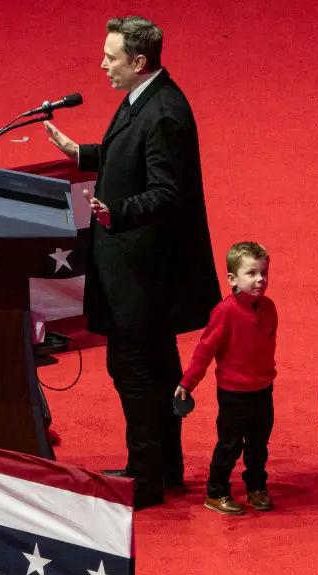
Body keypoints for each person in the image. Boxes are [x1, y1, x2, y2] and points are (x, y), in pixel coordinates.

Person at [44, 16, 221, 509]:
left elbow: (167, 191)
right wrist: (79, 152)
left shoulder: (164, 111)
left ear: (138, 61)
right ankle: (164, 467)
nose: (102, 65)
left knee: (135, 370)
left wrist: (115, 211)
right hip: (141, 272)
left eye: (111, 57)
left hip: (145, 276)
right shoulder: (146, 98)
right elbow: (129, 155)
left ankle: (145, 479)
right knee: (158, 368)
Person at [176, 242, 277, 516]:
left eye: (264, 272)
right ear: (232, 278)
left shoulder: (269, 308)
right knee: (230, 444)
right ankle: (216, 491)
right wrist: (188, 383)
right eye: (251, 273)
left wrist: (267, 376)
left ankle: (256, 486)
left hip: (263, 389)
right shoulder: (225, 312)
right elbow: (204, 351)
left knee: (259, 443)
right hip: (234, 393)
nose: (260, 279)